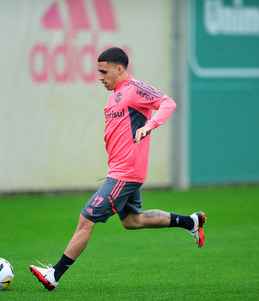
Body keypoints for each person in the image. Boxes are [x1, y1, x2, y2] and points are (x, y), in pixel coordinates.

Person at [29, 47, 206, 291]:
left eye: (104, 71)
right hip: (120, 170)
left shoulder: (133, 89)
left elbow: (168, 103)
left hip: (126, 172)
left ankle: (54, 275)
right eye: (98, 71)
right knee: (134, 220)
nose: (100, 77)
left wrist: (150, 125)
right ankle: (191, 222)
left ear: (119, 69)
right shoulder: (114, 95)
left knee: (86, 218)